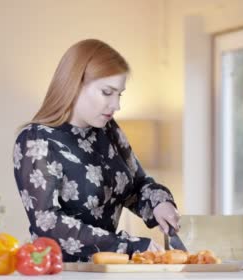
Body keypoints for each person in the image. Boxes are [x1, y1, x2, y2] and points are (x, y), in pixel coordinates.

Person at [13, 39, 180, 262]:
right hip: (58, 274)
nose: (116, 105)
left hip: (106, 271)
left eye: (119, 94)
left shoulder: (109, 130)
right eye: (107, 92)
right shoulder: (36, 140)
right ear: (75, 83)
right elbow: (48, 223)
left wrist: (160, 203)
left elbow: (136, 186)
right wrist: (128, 247)